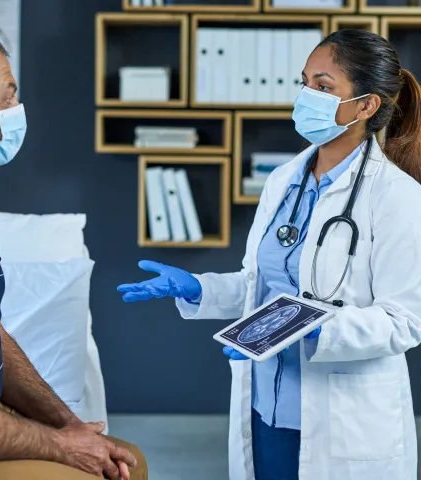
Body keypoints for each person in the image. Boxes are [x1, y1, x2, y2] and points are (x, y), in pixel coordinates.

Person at [118, 28, 421, 480]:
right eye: (304, 83)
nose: (307, 96)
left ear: (366, 105)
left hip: (343, 425)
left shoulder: (396, 195)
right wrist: (198, 288)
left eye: (323, 86)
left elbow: (405, 320)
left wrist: (313, 330)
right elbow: (261, 284)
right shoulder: (284, 180)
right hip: (266, 408)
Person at [0, 26, 147, 480]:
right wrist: (60, 447)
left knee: (127, 460)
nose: (16, 113)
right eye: (7, 98)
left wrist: (69, 424)